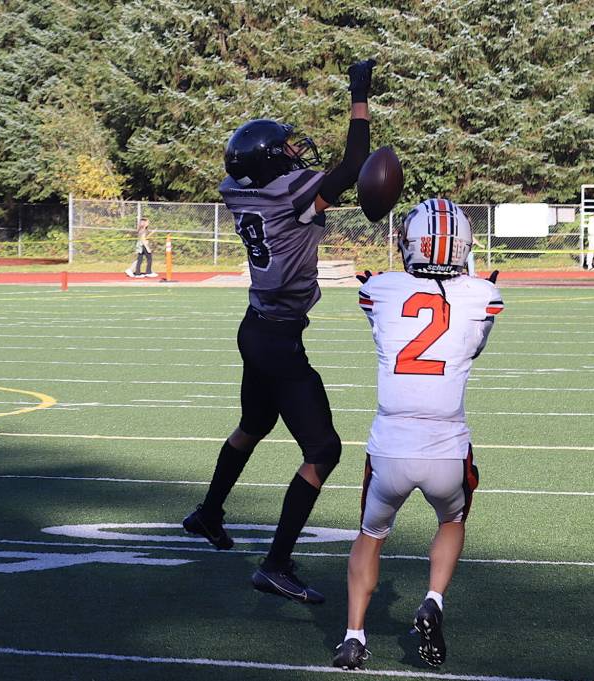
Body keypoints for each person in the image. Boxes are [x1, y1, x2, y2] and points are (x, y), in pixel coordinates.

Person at [181, 59, 376, 604]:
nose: (296, 152)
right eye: (288, 149)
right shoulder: (287, 195)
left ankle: (208, 512)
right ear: (273, 162)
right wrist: (359, 96)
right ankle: (275, 562)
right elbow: (355, 164)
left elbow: (263, 177)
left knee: (254, 424)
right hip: (278, 338)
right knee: (324, 450)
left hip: (255, 326)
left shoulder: (241, 190)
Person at [331, 199, 502, 671]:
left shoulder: (381, 289)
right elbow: (475, 343)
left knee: (370, 535)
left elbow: (378, 320)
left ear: (412, 244)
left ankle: (353, 637)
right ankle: (433, 599)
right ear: (463, 246)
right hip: (447, 446)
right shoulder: (482, 296)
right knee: (451, 521)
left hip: (390, 446)